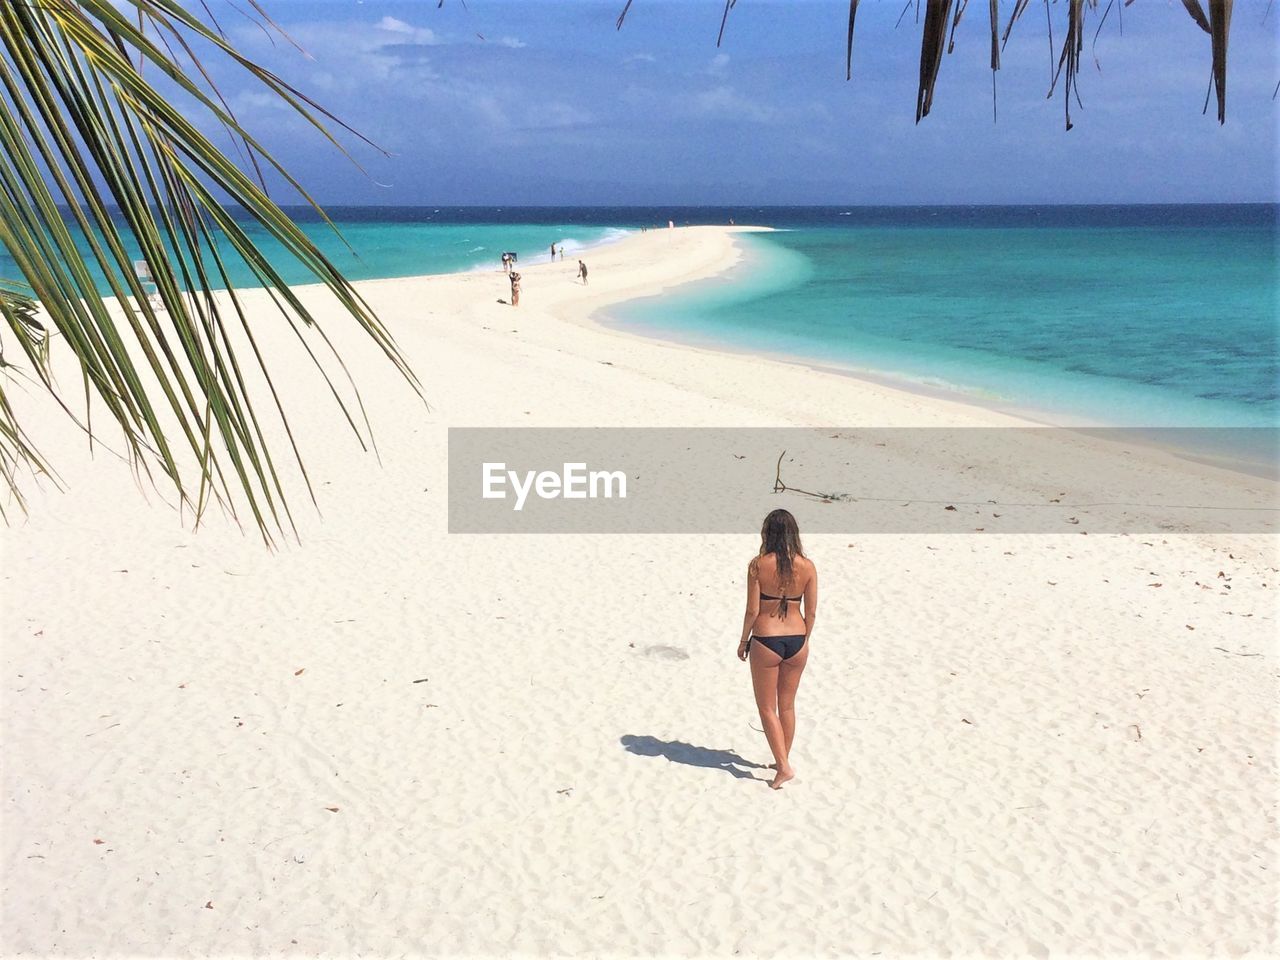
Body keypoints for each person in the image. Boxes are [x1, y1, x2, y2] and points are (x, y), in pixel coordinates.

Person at [736, 508, 817, 789]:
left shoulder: (758, 565)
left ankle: (783, 767)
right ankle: (782, 757)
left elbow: (752, 610)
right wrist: (806, 640)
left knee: (766, 707)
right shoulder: (807, 566)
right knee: (787, 706)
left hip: (767, 639)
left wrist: (744, 640)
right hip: (798, 639)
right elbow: (813, 613)